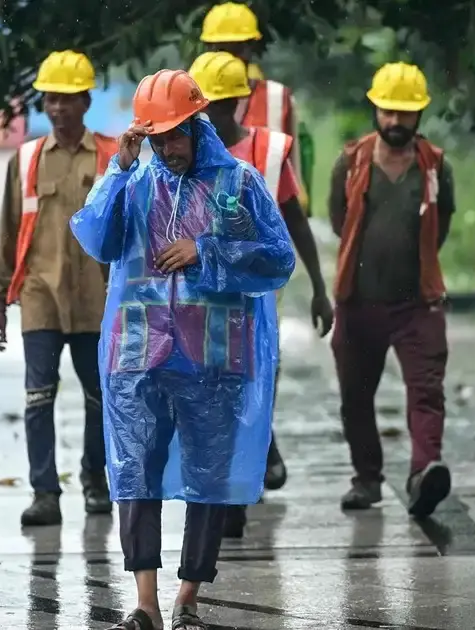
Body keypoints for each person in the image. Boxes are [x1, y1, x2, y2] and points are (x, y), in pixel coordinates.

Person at [71, 69, 295, 630]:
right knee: (135, 473)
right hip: (139, 351)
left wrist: (208, 250)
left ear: (197, 125)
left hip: (213, 353)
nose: (167, 148)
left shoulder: (239, 183)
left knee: (209, 474)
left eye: (175, 134)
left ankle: (187, 597)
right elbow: (97, 239)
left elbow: (277, 260)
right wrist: (117, 170)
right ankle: (144, 603)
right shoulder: (135, 180)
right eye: (156, 137)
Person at [187, 51, 333, 538]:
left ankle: (244, 481)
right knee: (212, 392)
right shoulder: (182, 156)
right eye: (203, 108)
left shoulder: (267, 154)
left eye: (222, 106)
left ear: (242, 103)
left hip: (256, 301)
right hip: (202, 301)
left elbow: (295, 220)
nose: (212, 118)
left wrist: (318, 288)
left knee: (253, 386)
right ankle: (234, 480)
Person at [0, 50, 119, 527]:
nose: (58, 108)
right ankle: (45, 492)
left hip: (96, 299)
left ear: (85, 101)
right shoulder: (26, 161)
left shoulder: (111, 155)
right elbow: (6, 231)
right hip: (40, 295)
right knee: (38, 397)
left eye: (67, 99)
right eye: (50, 99)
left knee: (101, 396)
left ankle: (94, 479)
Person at [328, 62, 457, 518]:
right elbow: (338, 223)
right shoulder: (350, 162)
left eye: (406, 114)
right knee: (355, 398)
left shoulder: (435, 167)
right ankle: (366, 480)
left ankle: (426, 472)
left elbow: (440, 226)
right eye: (389, 112)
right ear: (375, 110)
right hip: (358, 302)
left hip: (416, 304)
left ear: (419, 116)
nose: (396, 122)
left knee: (426, 390)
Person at [199, 2, 308, 209]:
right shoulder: (191, 96)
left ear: (252, 48)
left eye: (237, 49)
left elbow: (292, 170)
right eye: (222, 49)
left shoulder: (277, 97)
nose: (229, 60)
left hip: (267, 222)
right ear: (207, 49)